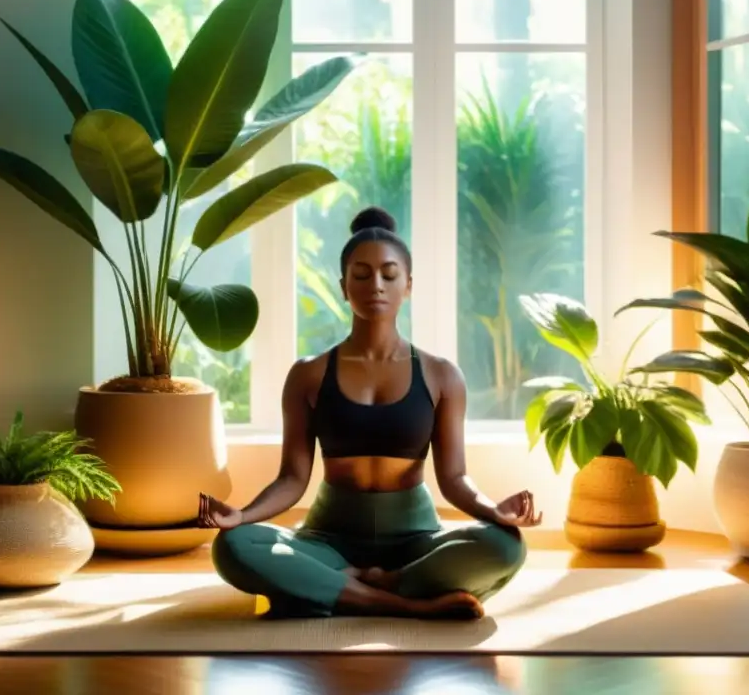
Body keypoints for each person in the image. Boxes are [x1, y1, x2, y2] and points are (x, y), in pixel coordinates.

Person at [196, 206, 543, 620]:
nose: (375, 285)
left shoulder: (441, 375)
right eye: (361, 275)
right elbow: (292, 477)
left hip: (415, 542)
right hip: (328, 542)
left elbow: (453, 479)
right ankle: (399, 602)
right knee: (234, 545)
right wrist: (241, 515)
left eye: (389, 274)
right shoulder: (308, 374)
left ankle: (349, 589)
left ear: (408, 285)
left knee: (506, 545)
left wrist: (494, 511)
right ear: (343, 286)